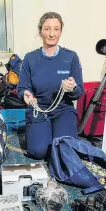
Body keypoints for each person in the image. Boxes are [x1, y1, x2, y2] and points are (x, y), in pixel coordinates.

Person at [18, 12, 84, 160]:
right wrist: (26, 95)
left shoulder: (71, 57)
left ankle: (56, 132)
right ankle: (41, 132)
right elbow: (22, 87)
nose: (52, 34)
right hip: (38, 109)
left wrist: (72, 88)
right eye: (47, 28)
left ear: (61, 31)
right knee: (39, 151)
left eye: (56, 29)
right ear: (40, 31)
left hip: (63, 109)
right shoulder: (30, 58)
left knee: (65, 151)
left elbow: (80, 91)